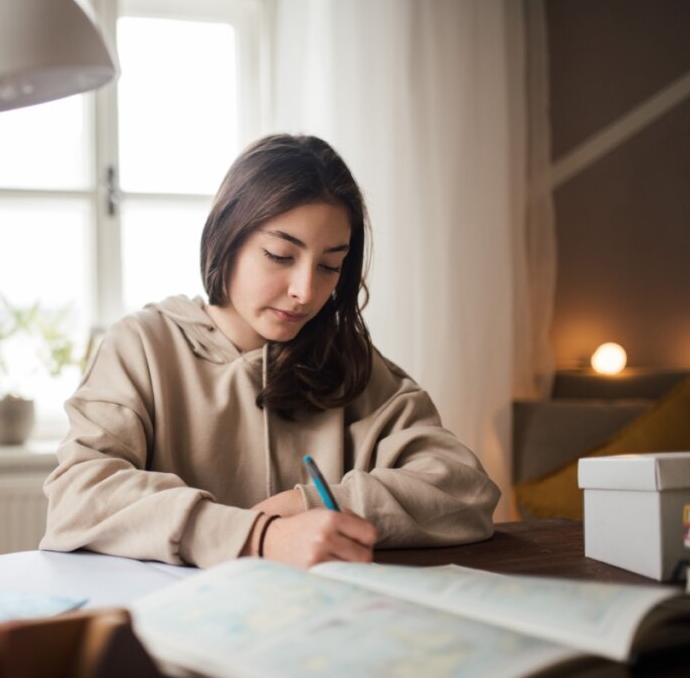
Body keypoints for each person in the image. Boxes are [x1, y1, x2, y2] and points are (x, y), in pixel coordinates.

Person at [41, 134, 500, 569]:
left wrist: (308, 504)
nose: (305, 291)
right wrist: (258, 537)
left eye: (329, 266)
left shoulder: (351, 363)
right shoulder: (141, 346)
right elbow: (79, 496)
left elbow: (465, 490)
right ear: (228, 236)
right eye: (281, 255)